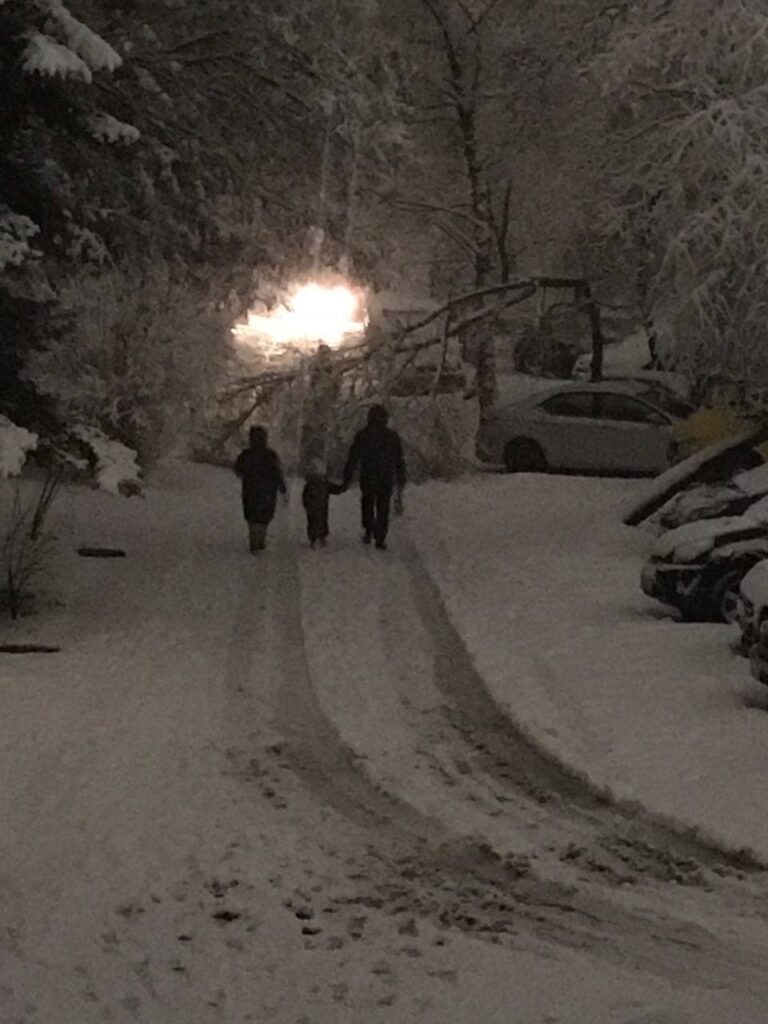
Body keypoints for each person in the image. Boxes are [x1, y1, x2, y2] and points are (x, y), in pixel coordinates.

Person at [343, 404, 406, 550]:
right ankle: (380, 537)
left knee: (367, 503)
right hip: (385, 477)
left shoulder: (363, 435)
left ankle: (368, 529)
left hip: (368, 476)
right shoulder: (392, 437)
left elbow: (353, 457)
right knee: (383, 508)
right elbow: (399, 459)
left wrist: (347, 477)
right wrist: (401, 477)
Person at [234, 426, 287, 553]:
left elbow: (237, 469)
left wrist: (246, 475)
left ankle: (254, 540)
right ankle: (260, 539)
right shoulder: (270, 455)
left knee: (252, 516)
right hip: (268, 491)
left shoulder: (246, 454)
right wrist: (282, 488)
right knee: (264, 516)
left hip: (250, 490)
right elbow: (277, 473)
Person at [301, 458, 345, 548]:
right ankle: (315, 539)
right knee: (316, 522)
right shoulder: (315, 484)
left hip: (319, 506)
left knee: (318, 522)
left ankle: (319, 538)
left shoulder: (320, 484)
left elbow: (335, 489)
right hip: (316, 507)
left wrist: (342, 488)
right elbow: (305, 496)